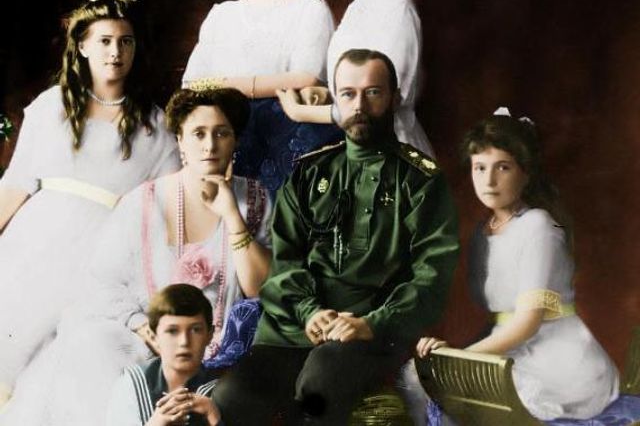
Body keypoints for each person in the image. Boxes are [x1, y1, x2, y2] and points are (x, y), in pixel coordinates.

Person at [213, 48, 459, 425]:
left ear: (394, 97)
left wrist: (371, 323)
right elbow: (285, 262)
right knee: (231, 399)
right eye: (348, 93)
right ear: (336, 98)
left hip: (372, 331)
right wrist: (309, 312)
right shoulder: (310, 173)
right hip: (295, 328)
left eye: (372, 92)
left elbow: (432, 278)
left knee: (319, 386)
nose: (359, 105)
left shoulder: (421, 181)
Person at [0, 88, 272, 426]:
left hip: (218, 341)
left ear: (235, 141)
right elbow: (102, 280)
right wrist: (141, 325)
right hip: (145, 334)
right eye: (198, 134)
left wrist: (231, 214)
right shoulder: (144, 201)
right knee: (92, 346)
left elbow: (259, 287)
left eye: (222, 133)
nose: (210, 145)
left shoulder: (254, 199)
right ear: (180, 141)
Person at [0, 0, 180, 407]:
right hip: (36, 239)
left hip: (102, 248)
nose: (115, 52)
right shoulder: (52, 106)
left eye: (125, 42)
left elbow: (165, 210)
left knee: (62, 364)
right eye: (104, 41)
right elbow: (16, 182)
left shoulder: (154, 125)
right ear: (81, 46)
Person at [415, 108, 619, 421]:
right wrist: (448, 353)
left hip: (558, 361)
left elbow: (527, 323)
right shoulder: (483, 233)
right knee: (425, 385)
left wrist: (458, 360)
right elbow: (500, 320)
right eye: (480, 168)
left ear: (525, 173)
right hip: (510, 351)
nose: (489, 180)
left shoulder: (538, 225)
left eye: (503, 167)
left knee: (486, 402)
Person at [183, 0, 341, 195]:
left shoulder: (309, 9)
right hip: (226, 144)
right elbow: (192, 84)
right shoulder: (221, 15)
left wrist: (224, 83)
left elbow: (307, 77)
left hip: (286, 145)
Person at [277, 0, 434, 156]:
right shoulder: (359, 5)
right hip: (356, 145)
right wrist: (325, 93)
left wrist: (300, 112)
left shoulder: (398, 9)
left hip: (390, 150)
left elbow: (382, 103)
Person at [106, 284, 221, 426]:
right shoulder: (133, 384)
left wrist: (213, 416)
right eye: (172, 331)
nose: (184, 342)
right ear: (153, 337)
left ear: (209, 335)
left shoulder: (221, 390)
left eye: (195, 330)